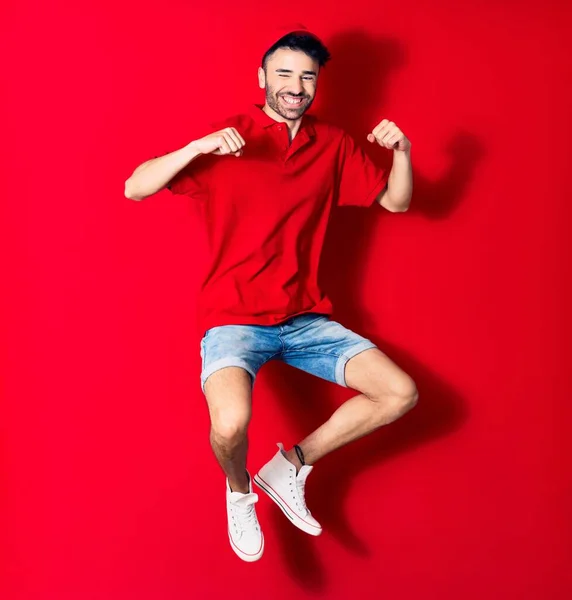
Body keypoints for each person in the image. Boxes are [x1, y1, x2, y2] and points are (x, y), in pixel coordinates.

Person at [125, 23, 418, 562]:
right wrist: (197, 146)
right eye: (284, 73)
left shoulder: (331, 144)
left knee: (399, 393)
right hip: (233, 318)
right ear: (261, 77)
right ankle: (240, 492)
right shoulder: (229, 138)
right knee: (231, 425)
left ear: (315, 85)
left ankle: (290, 467)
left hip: (304, 319)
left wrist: (401, 150)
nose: (296, 85)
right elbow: (134, 186)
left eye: (307, 76)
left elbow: (397, 203)